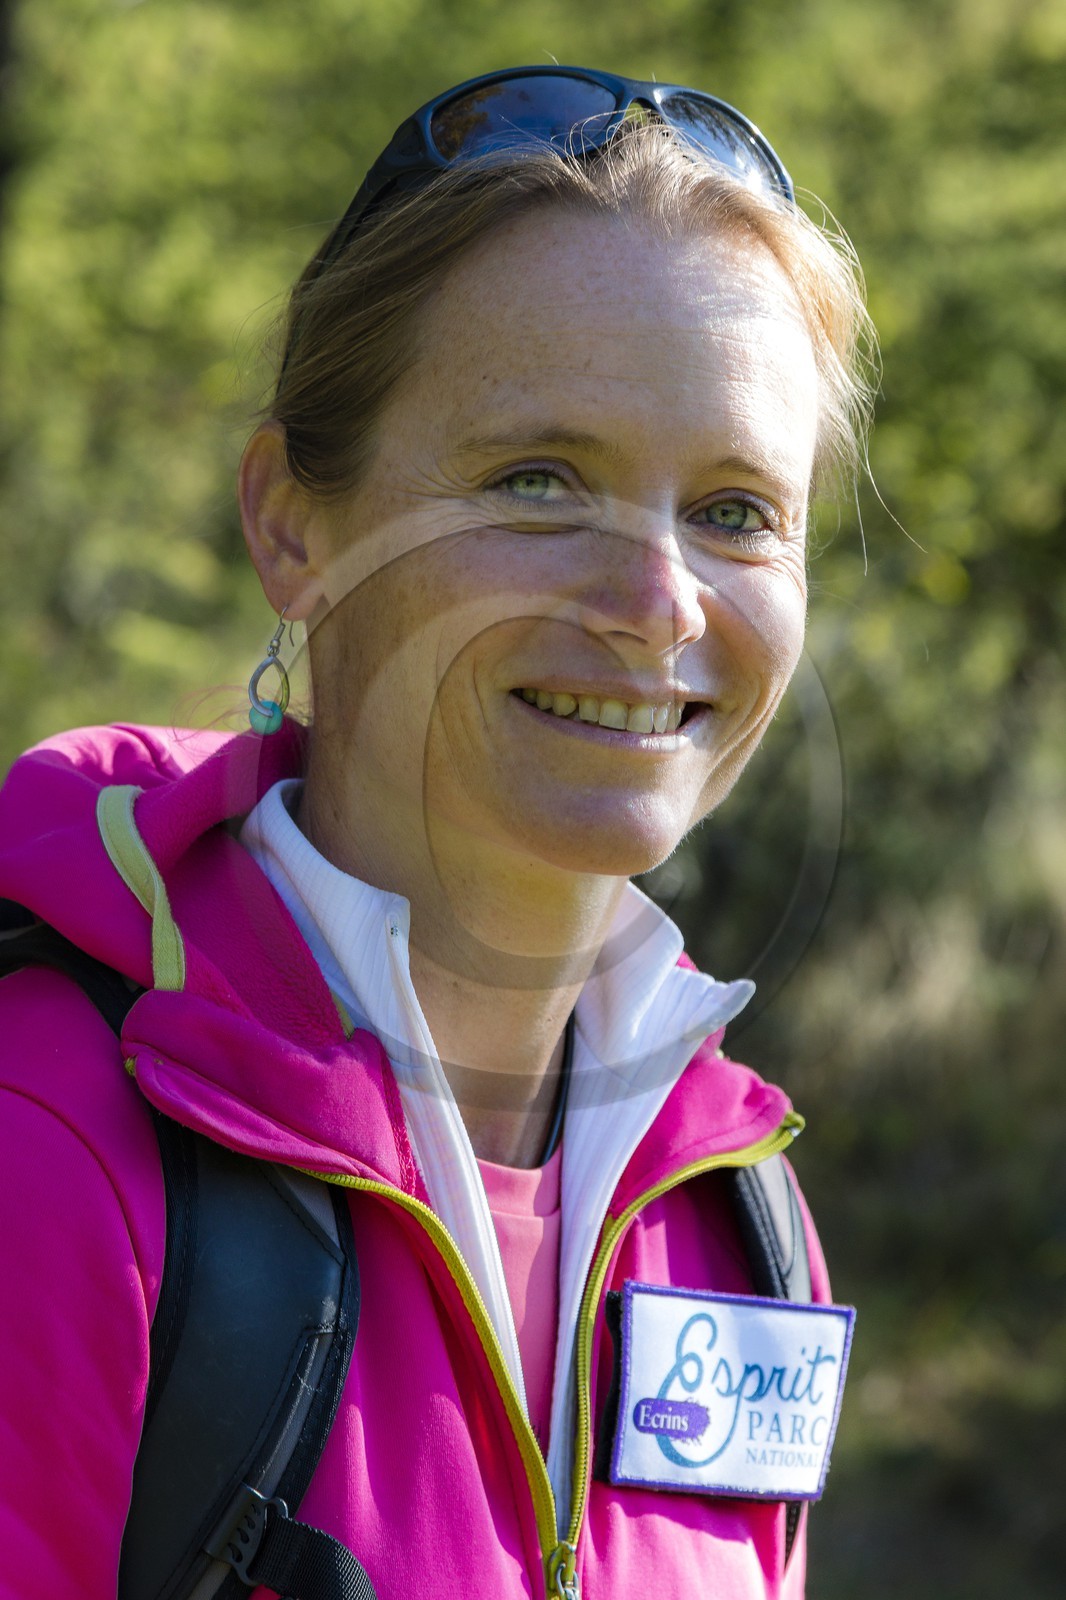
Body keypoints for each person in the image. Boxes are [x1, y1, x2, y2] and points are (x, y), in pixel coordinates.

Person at [0, 67, 873, 1600]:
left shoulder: (736, 1214)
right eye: (538, 479)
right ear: (292, 524)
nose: (659, 600)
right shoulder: (47, 1143)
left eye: (736, 510)